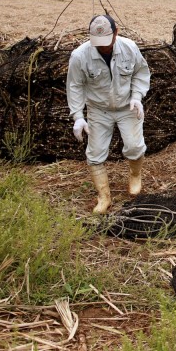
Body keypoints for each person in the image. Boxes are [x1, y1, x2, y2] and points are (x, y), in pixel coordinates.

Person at [66, 14, 151, 214]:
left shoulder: (129, 48)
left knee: (134, 146)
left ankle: (135, 175)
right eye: (99, 43)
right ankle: (104, 197)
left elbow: (141, 72)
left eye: (107, 41)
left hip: (127, 106)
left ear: (116, 33)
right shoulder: (80, 56)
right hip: (98, 109)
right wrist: (78, 117)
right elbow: (75, 86)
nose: (103, 47)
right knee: (95, 154)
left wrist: (137, 96)